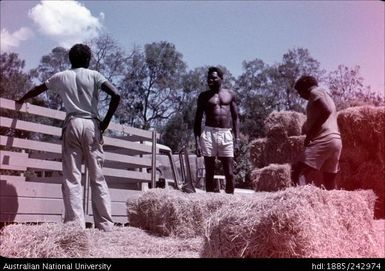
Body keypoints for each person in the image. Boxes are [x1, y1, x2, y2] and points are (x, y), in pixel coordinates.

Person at [17, 44, 120, 231]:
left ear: (70, 60)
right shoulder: (95, 75)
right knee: (97, 177)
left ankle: (75, 227)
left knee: (72, 177)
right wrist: (104, 123)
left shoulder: (61, 76)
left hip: (72, 124)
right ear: (88, 60)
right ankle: (105, 226)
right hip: (92, 125)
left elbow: (38, 89)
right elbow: (116, 95)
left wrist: (21, 99)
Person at [291, 75, 342, 190]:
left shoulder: (315, 92)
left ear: (305, 88)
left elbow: (326, 110)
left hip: (324, 138)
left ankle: (300, 202)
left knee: (297, 172)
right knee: (329, 179)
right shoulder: (326, 94)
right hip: (336, 140)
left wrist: (310, 134)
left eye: (300, 92)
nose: (300, 96)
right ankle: (332, 205)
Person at [194, 66, 240, 194]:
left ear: (221, 78)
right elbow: (197, 121)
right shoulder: (203, 96)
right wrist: (197, 142)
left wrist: (237, 139)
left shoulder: (230, 95)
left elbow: (236, 118)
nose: (210, 80)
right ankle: (209, 203)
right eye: (209, 78)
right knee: (209, 172)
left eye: (213, 78)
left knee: (230, 173)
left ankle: (230, 202)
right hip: (209, 133)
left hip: (226, 133)